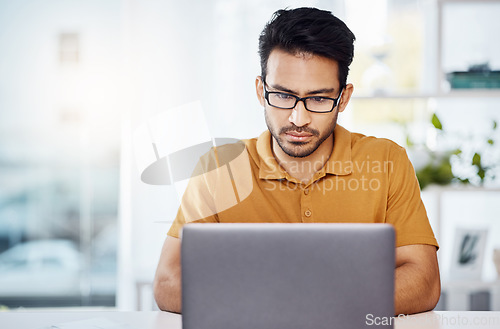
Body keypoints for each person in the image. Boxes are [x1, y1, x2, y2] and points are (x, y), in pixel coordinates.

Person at [153, 7, 440, 316]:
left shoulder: (387, 161)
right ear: (261, 91)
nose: (298, 119)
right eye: (283, 96)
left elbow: (424, 282)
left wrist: (289, 302)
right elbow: (168, 282)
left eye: (318, 99)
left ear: (343, 98)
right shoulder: (219, 168)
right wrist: (307, 302)